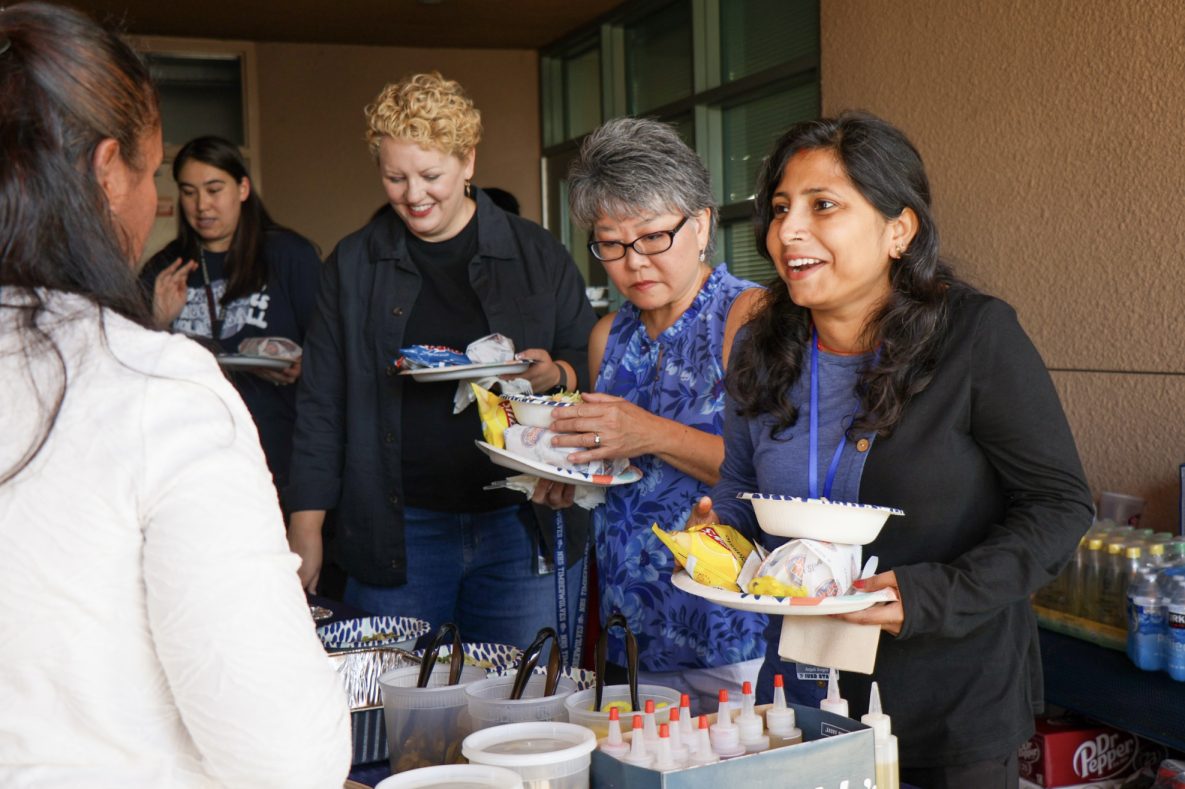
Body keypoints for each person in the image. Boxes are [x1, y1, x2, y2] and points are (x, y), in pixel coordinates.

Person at [687, 112, 1092, 789]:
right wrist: (720, 537)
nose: (788, 232)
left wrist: (932, 593)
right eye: (781, 209)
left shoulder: (974, 338)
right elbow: (738, 484)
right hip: (801, 699)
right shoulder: (762, 348)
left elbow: (1058, 506)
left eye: (823, 206)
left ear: (898, 229)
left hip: (948, 707)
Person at [0, 4, 349, 787]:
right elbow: (284, 755)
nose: (174, 204)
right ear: (105, 168)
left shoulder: (288, 259)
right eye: (159, 178)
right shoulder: (154, 384)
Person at [287, 72, 596, 652]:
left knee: (524, 716)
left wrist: (556, 374)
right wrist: (305, 527)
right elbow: (320, 403)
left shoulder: (536, 253)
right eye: (394, 177)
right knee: (405, 720)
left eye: (431, 175)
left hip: (520, 525)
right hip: (398, 531)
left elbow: (589, 357)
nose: (413, 195)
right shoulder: (354, 264)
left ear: (468, 161)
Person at [533, 118, 768, 712]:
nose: (634, 262)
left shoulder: (747, 317)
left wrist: (649, 432)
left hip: (725, 627)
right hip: (627, 626)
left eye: (654, 237)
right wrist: (571, 478)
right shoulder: (608, 335)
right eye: (611, 244)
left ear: (704, 221)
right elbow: (613, 474)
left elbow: (776, 476)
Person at [141, 136, 323, 505]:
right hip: (189, 463)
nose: (201, 205)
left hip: (279, 459)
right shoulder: (165, 269)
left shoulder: (289, 256)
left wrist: (304, 365)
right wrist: (156, 323)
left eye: (214, 189)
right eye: (189, 192)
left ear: (242, 188)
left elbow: (333, 353)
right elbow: (131, 370)